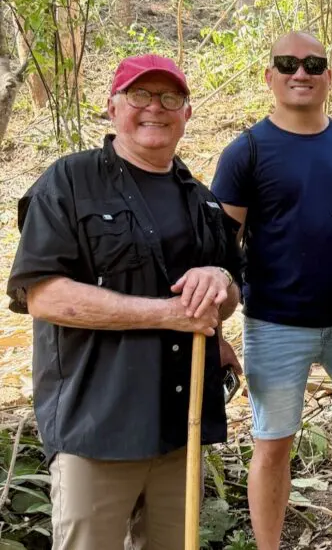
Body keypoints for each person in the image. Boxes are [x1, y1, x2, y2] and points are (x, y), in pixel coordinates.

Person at [6, 54, 243, 550]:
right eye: (140, 95)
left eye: (170, 98)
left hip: (180, 429)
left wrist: (219, 279)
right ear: (112, 107)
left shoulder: (202, 201)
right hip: (98, 427)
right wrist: (166, 315)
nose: (155, 107)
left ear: (187, 113)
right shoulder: (69, 182)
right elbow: (44, 295)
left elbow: (226, 297)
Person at [210, 31, 332, 549]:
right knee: (273, 444)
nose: (300, 73)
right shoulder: (246, 152)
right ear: (270, 77)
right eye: (287, 64)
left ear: (329, 76)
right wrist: (215, 332)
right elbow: (219, 251)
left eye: (312, 64)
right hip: (275, 323)